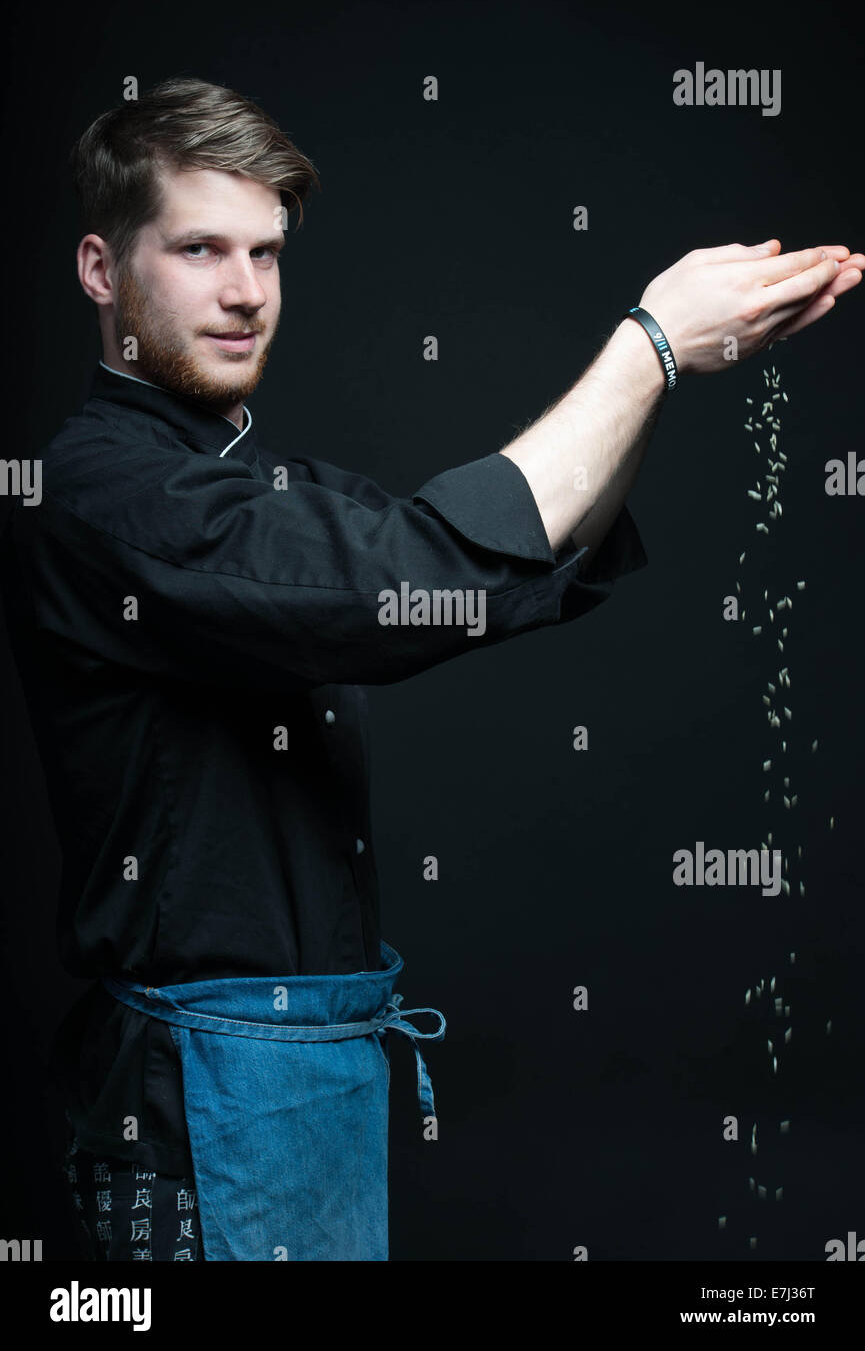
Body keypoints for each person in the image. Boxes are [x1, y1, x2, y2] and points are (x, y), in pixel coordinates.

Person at [0, 75, 861, 1262]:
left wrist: (672, 368)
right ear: (102, 270)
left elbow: (484, 577)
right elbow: (403, 575)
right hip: (198, 1097)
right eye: (201, 249)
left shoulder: (257, 479)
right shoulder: (102, 491)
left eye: (267, 251)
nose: (247, 291)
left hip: (310, 1072)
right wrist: (647, 344)